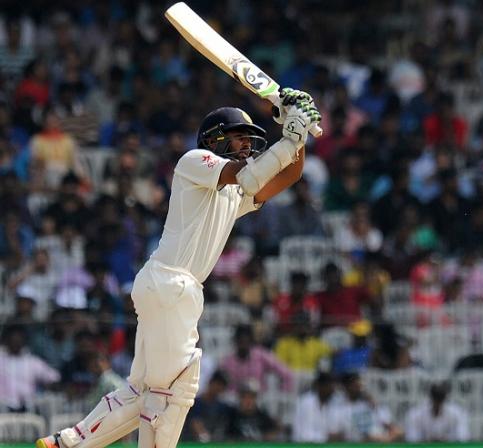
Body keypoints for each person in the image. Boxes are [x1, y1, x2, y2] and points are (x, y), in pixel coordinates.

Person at [37, 88, 321, 448]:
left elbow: (287, 177)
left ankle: (66, 442)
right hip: (173, 281)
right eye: (239, 139)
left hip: (167, 284)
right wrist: (290, 135)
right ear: (215, 139)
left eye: (250, 141)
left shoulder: (232, 195)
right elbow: (250, 177)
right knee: (177, 385)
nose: (248, 148)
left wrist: (298, 130)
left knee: (143, 390)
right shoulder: (194, 161)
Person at [0, 325, 61, 412]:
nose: (15, 343)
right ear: (6, 340)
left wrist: (49, 386)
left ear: (24, 341)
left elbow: (54, 377)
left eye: (18, 341)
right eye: (12, 340)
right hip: (2, 407)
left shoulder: (32, 361)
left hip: (27, 407)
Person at [335, 372, 404, 442]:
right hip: (362, 442)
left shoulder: (371, 404)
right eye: (355, 385)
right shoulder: (340, 409)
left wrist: (389, 437)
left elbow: (391, 426)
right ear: (346, 387)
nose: (359, 388)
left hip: (382, 440)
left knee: (399, 432)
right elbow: (357, 436)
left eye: (360, 385)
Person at [405, 382, 469, 442]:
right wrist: (429, 441)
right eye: (435, 398)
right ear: (431, 398)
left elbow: (463, 437)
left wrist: (446, 440)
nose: (438, 402)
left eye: (440, 398)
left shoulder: (457, 413)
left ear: (445, 398)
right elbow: (412, 439)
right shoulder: (416, 414)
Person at [292, 371, 345, 442]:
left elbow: (336, 431)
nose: (332, 389)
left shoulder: (334, 403)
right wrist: (326, 437)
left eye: (333, 386)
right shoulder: (306, 402)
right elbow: (304, 434)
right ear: (320, 386)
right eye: (329, 385)